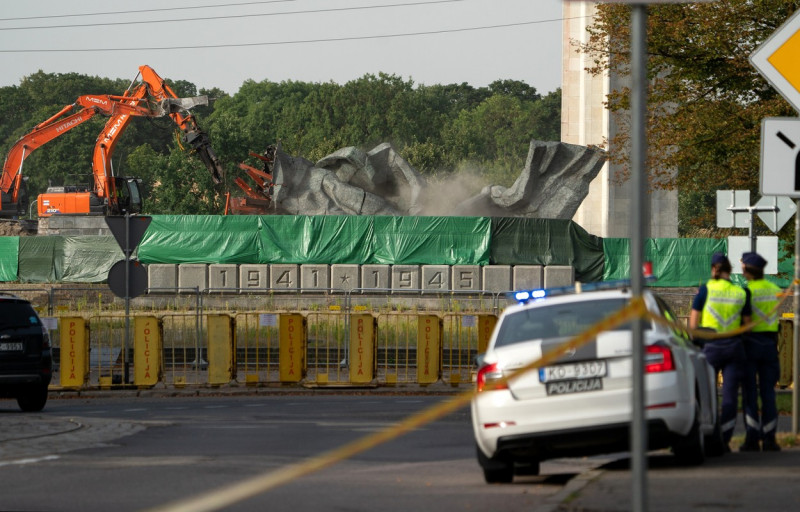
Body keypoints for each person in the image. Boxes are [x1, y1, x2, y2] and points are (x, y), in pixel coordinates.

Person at [689, 252, 751, 452]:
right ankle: (724, 440)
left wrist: (695, 342)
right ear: (729, 270)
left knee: (707, 395)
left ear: (714, 269)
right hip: (734, 348)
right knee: (730, 396)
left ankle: (710, 439)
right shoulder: (740, 292)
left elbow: (693, 323)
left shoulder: (706, 290)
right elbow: (747, 326)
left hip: (710, 348)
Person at [740, 252, 782, 452]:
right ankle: (770, 439)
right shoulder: (774, 289)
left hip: (751, 344)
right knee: (768, 393)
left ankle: (752, 438)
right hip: (770, 344)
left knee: (750, 392)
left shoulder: (746, 290)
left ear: (746, 269)